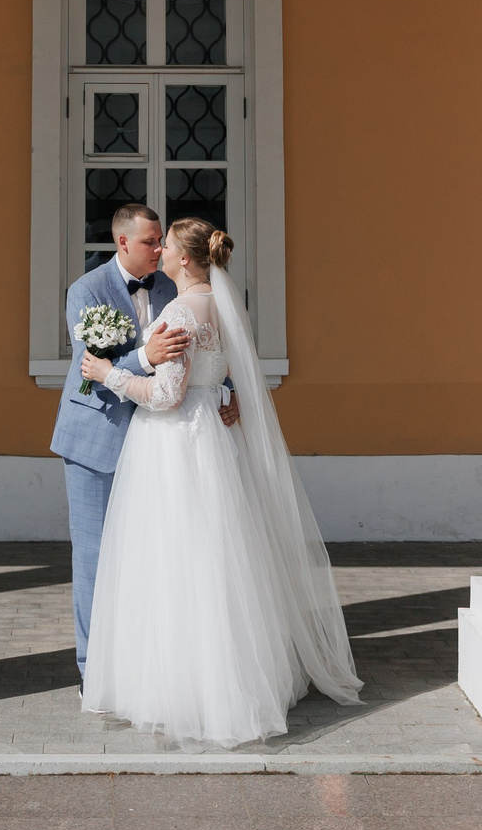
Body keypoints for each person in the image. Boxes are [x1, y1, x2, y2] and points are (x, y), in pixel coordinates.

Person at [77, 217, 362, 747]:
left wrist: (107, 375)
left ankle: (185, 691)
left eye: (166, 245)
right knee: (217, 560)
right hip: (212, 438)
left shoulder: (181, 310)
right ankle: (234, 679)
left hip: (175, 445)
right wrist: (227, 399)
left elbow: (166, 396)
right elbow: (221, 378)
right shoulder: (220, 305)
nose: (159, 250)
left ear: (183, 259)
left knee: (176, 563)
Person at [50, 204, 230, 677]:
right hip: (98, 440)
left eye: (161, 242)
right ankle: (94, 670)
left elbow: (201, 354)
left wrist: (224, 392)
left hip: (161, 445)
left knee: (153, 555)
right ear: (123, 243)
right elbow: (88, 368)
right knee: (94, 558)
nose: (158, 249)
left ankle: (144, 663)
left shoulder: (176, 287)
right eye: (150, 242)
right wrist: (144, 357)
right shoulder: (86, 290)